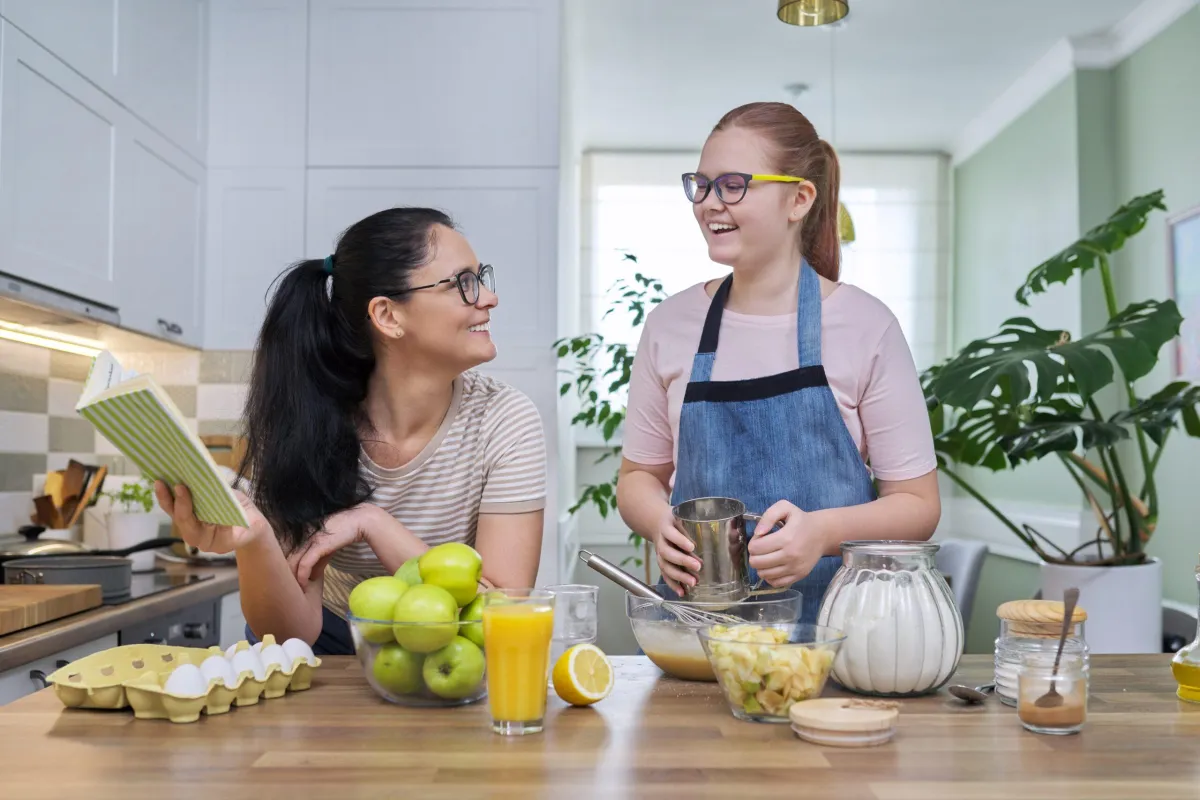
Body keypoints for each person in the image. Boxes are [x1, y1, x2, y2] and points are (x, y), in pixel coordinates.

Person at [156, 208, 547, 655]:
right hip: (324, 651)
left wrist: (373, 523)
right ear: (387, 315)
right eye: (464, 283)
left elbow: (501, 611)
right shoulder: (306, 417)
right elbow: (292, 631)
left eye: (482, 278)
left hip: (450, 648)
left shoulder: (505, 419)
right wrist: (255, 537)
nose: (490, 298)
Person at [615, 102, 940, 624]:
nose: (708, 203)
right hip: (695, 642)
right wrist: (660, 522)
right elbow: (637, 478)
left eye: (733, 184)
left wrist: (822, 534)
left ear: (799, 199)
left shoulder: (866, 325)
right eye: (701, 184)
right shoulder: (669, 325)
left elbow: (919, 505)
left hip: (834, 643)